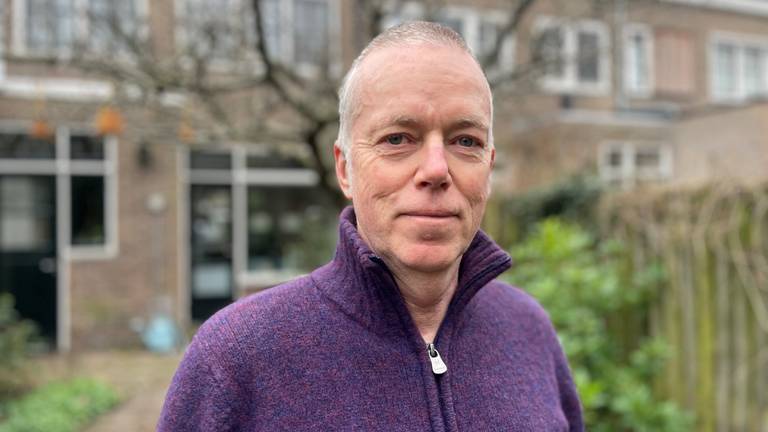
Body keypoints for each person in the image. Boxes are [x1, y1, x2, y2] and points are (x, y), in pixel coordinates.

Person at [158, 21, 583, 431]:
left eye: (465, 141)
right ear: (345, 169)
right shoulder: (237, 359)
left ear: (488, 169)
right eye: (398, 139)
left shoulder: (529, 331)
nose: (436, 169)